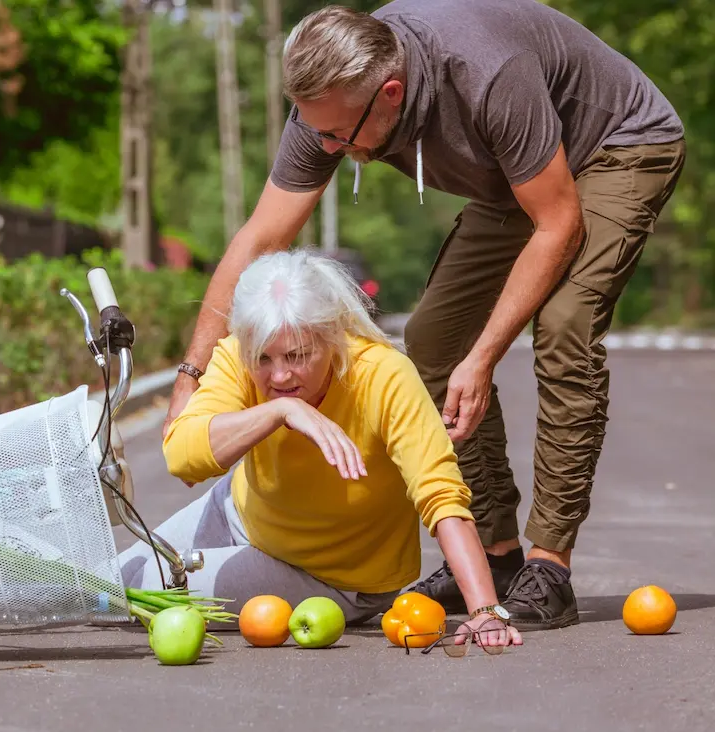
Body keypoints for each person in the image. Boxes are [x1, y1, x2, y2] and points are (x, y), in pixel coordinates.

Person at [161, 0, 686, 631]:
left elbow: (559, 221)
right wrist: (190, 374)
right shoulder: (327, 103)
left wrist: (486, 354)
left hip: (617, 145)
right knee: (433, 340)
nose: (326, 146)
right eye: (315, 131)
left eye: (338, 137)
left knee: (565, 326)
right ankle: (495, 558)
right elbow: (259, 240)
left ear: (390, 93)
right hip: (514, 174)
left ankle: (550, 564)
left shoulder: (487, 73)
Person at [118, 249, 523, 648]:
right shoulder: (240, 356)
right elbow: (182, 455)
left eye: (298, 355)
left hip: (329, 576)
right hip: (237, 513)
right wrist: (282, 409)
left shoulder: (383, 375)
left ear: (332, 335)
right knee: (107, 576)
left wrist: (486, 611)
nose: (280, 374)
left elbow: (441, 496)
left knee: (126, 593)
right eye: (264, 358)